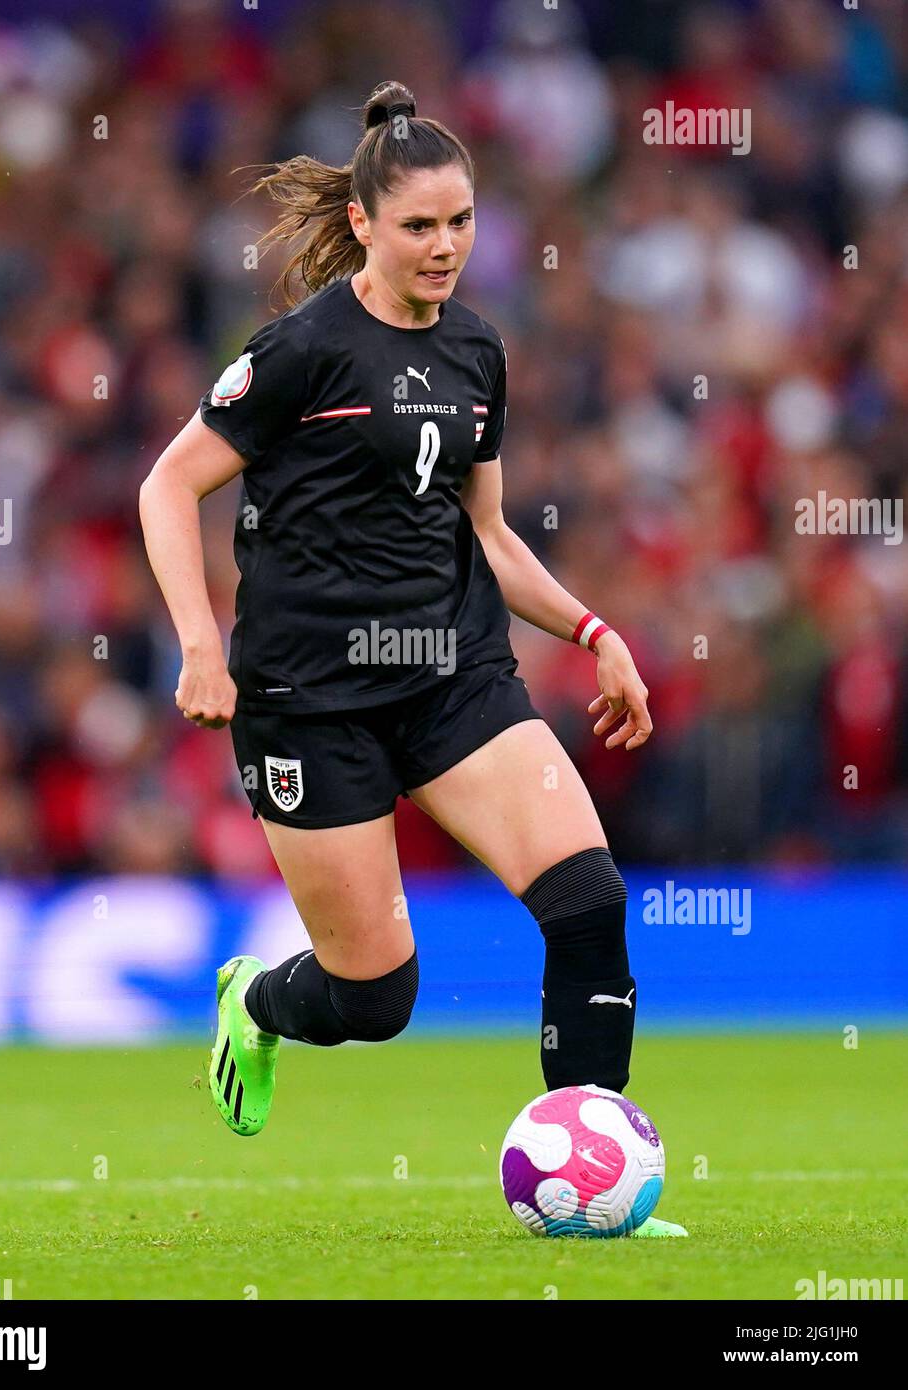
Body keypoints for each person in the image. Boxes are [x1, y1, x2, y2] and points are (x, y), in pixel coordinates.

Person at [139, 80, 686, 1237]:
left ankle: (595, 1197)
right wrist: (200, 645)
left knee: (587, 901)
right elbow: (167, 483)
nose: (444, 247)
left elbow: (487, 534)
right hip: (307, 702)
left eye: (461, 222)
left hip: (451, 674)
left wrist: (595, 633)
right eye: (420, 226)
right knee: (377, 996)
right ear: (364, 228)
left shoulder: (479, 352)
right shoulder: (296, 352)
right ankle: (258, 1002)